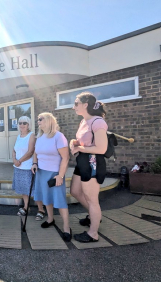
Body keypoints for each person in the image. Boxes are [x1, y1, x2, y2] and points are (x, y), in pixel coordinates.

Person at [70, 91, 108, 243]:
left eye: (76, 104)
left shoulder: (98, 122)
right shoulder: (84, 122)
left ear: (85, 105)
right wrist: (74, 143)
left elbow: (101, 149)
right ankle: (94, 217)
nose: (74, 107)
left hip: (93, 163)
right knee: (75, 191)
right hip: (83, 161)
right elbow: (83, 141)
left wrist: (79, 149)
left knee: (92, 199)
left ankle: (93, 233)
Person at [32, 113, 71, 242]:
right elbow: (35, 152)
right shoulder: (40, 137)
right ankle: (50, 219)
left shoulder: (59, 137)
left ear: (49, 121)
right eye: (38, 120)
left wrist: (60, 175)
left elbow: (66, 158)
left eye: (40, 119)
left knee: (59, 200)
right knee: (46, 198)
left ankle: (66, 228)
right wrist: (34, 163)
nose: (38, 122)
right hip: (41, 172)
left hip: (54, 173)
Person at [12, 116, 44, 217]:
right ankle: (26, 207)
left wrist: (19, 161)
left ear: (28, 124)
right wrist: (14, 160)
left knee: (33, 189)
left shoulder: (31, 135)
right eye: (20, 123)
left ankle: (41, 209)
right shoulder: (19, 136)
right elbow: (14, 150)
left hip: (27, 168)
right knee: (23, 189)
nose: (22, 125)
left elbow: (30, 151)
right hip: (18, 167)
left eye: (24, 123)